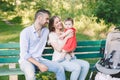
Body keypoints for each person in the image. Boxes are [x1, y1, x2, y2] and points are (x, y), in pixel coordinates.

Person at [19, 9, 66, 80]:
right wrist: (39, 65)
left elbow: (55, 34)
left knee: (60, 68)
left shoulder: (46, 31)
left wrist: (65, 34)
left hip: (39, 59)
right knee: (31, 75)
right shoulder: (25, 32)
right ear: (39, 18)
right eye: (46, 19)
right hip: (26, 61)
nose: (48, 21)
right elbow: (24, 54)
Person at [48, 16, 90, 80]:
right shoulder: (52, 35)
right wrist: (66, 38)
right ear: (53, 25)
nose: (59, 23)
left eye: (59, 21)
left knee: (86, 65)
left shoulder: (66, 31)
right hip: (59, 60)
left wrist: (71, 48)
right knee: (77, 67)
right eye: (56, 22)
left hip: (69, 58)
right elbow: (59, 49)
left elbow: (72, 47)